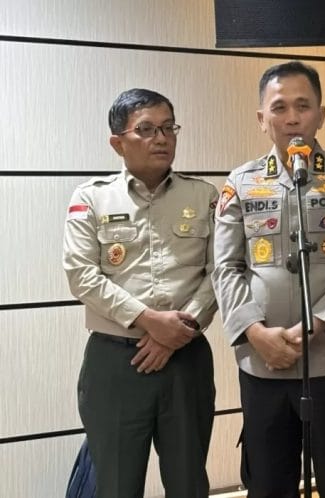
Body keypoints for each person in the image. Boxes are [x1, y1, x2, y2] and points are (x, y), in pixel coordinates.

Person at [212, 61, 325, 498]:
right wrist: (255, 333)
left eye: (303, 106)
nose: (292, 118)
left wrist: (316, 325)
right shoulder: (241, 182)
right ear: (261, 118)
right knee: (268, 483)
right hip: (262, 362)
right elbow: (225, 267)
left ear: (321, 115)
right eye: (280, 107)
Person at [62, 88, 218, 497]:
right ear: (118, 143)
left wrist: (176, 332)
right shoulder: (92, 197)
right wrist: (149, 321)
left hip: (186, 361)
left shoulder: (204, 196)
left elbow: (220, 271)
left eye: (169, 128)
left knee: (189, 483)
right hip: (116, 362)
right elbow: (81, 274)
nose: (161, 138)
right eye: (146, 129)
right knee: (116, 485)